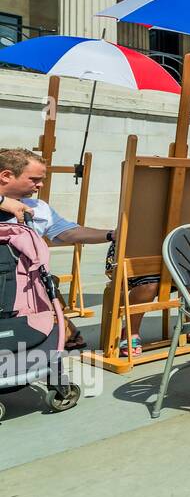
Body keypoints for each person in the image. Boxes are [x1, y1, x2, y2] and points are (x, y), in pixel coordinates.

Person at [0, 147, 120, 352]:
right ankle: (65, 333)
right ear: (6, 176)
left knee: (47, 283)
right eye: (34, 179)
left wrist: (111, 235)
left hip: (23, 287)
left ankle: (59, 334)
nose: (40, 185)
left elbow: (68, 232)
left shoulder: (37, 207)